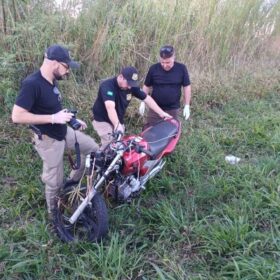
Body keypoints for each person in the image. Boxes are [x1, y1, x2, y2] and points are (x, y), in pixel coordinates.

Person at [11, 44, 99, 219]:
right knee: (54, 181)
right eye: (66, 67)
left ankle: (72, 184)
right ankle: (54, 216)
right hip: (48, 138)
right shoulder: (32, 84)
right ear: (54, 63)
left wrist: (69, 118)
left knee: (93, 150)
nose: (68, 71)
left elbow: (52, 108)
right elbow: (17, 116)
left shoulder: (52, 80)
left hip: (63, 131)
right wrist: (53, 118)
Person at [92, 66, 171, 147]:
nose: (130, 87)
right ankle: (94, 158)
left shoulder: (131, 87)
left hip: (118, 120)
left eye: (132, 84)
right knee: (111, 145)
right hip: (102, 120)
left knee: (120, 147)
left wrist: (161, 113)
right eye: (128, 83)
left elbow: (147, 99)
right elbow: (110, 107)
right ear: (121, 77)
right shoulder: (107, 86)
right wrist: (117, 124)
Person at [139, 45, 191, 129]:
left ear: (173, 58)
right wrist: (143, 102)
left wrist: (187, 105)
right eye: (162, 62)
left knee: (171, 131)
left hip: (173, 108)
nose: (164, 65)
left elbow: (187, 87)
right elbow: (146, 86)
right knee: (150, 130)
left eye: (168, 62)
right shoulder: (153, 69)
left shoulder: (181, 69)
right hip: (155, 107)